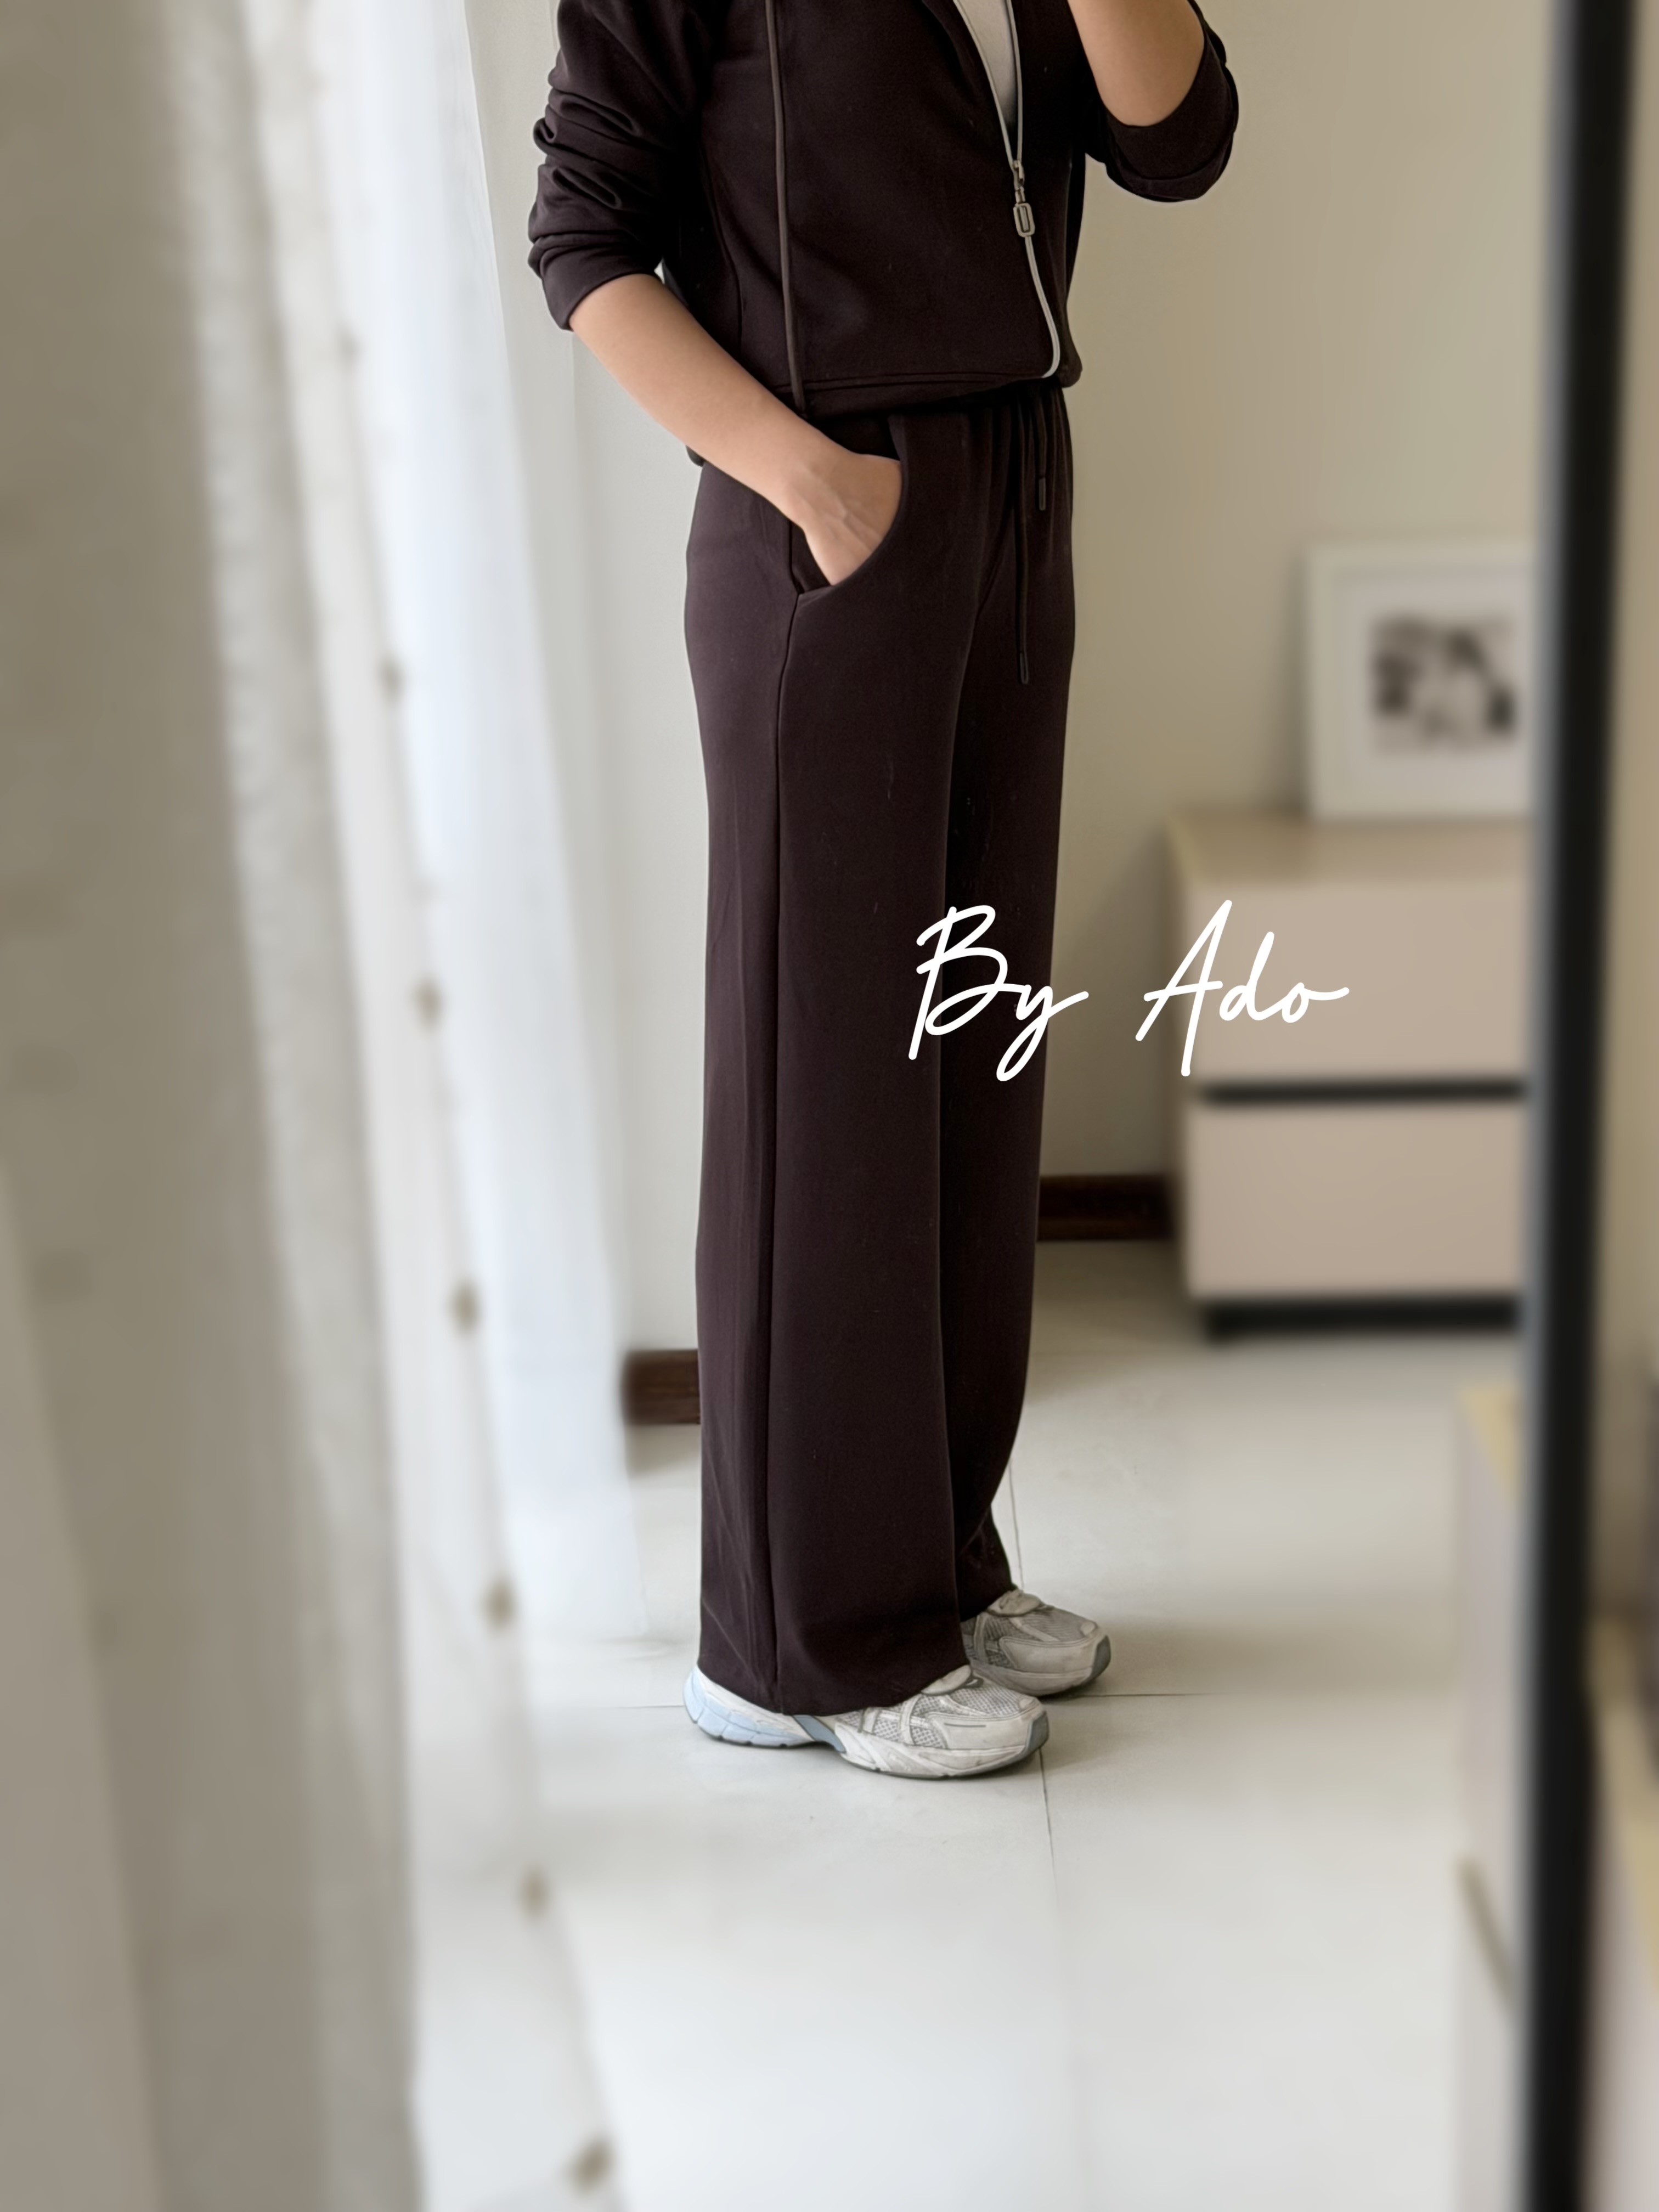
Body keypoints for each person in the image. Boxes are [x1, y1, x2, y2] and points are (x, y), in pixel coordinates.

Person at [529, 0, 1238, 1780]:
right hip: (829, 511)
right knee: (828, 1091)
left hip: (1013, 492)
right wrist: (811, 487)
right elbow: (583, 240)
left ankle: (931, 1565)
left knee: (970, 1073)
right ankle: (798, 1644)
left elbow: (1179, 139)